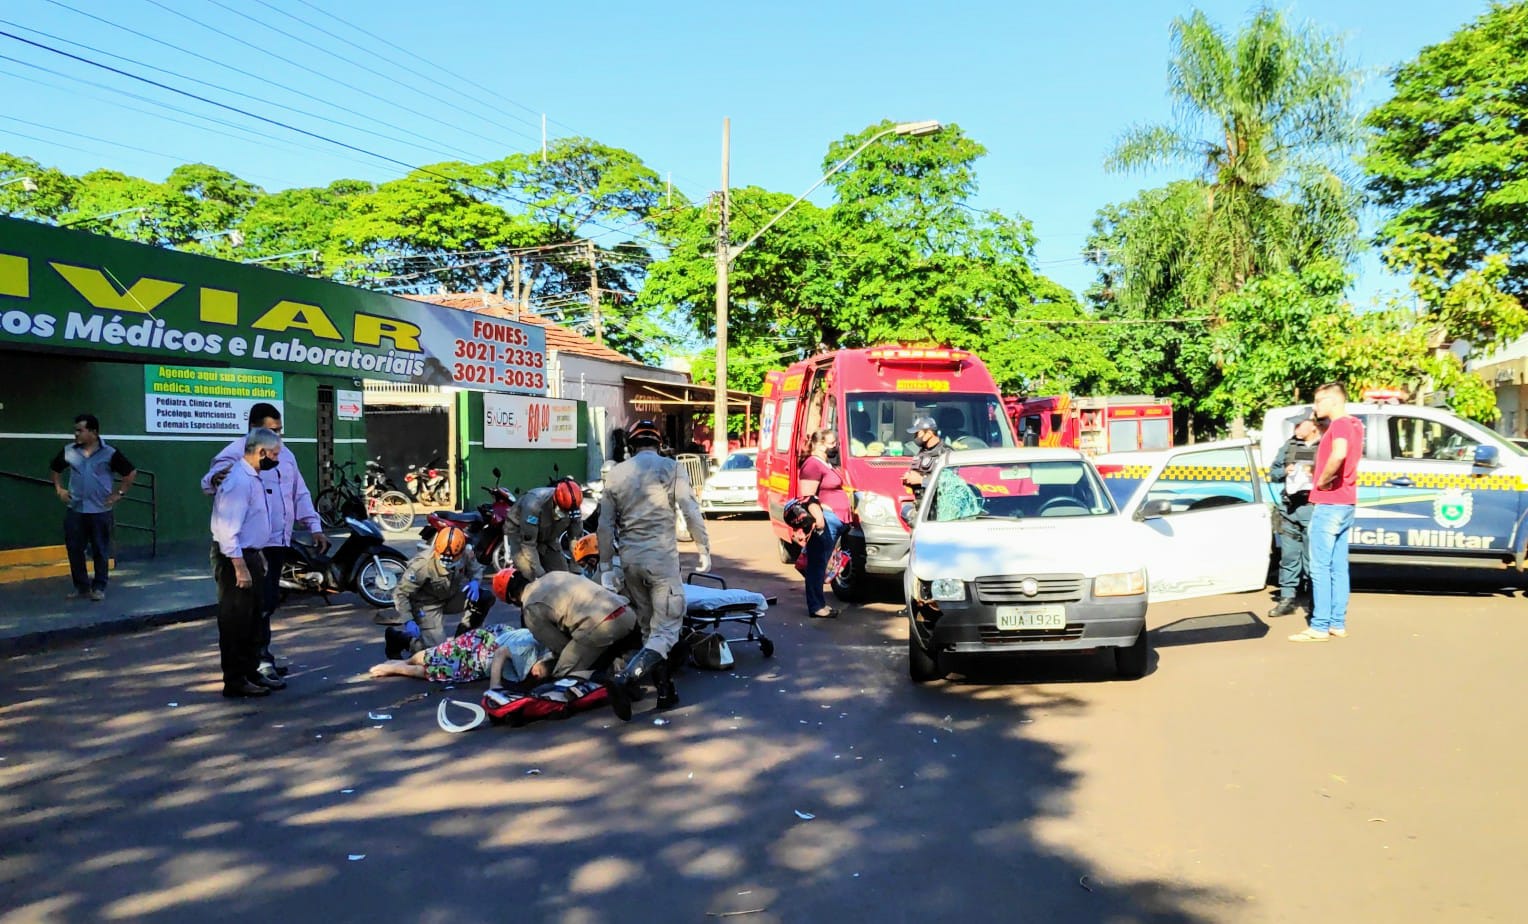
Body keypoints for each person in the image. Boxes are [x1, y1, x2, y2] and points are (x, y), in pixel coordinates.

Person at [201, 403, 327, 681]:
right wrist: (216, 478)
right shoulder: (235, 455)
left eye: (280, 431)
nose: (278, 437)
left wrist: (314, 526)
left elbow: (299, 492)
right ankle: (250, 667)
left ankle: (259, 658)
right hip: (245, 547)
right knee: (244, 612)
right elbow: (211, 483)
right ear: (255, 430)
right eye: (272, 431)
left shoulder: (285, 455)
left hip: (276, 541)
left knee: (266, 603)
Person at [597, 418, 711, 720]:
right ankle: (626, 678)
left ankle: (665, 691)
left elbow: (605, 525)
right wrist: (703, 547)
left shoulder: (616, 474)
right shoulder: (671, 468)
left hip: (630, 562)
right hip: (661, 561)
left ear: (631, 445)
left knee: (649, 629)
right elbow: (689, 508)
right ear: (659, 443)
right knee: (667, 630)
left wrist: (607, 565)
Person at [210, 428, 283, 698]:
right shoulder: (238, 481)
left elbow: (251, 523)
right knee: (235, 622)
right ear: (261, 452)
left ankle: (251, 672)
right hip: (234, 557)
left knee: (252, 620)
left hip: (249, 553)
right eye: (274, 454)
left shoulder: (252, 477)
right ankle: (235, 679)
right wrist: (240, 566)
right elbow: (227, 529)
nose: (276, 459)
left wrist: (258, 554)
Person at [1290, 383, 1363, 643]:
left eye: (1319, 402)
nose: (1315, 407)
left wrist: (1323, 479)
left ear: (1333, 401)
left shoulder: (1341, 425)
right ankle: (1336, 623)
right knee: (1338, 566)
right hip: (1346, 503)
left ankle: (1319, 626)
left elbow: (1339, 453)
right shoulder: (1354, 424)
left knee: (1320, 566)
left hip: (1330, 503)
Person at [50, 413, 137, 602]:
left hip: (100, 511)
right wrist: (60, 490)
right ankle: (81, 587)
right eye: (75, 430)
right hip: (76, 510)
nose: (76, 434)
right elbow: (55, 469)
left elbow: (130, 473)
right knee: (74, 549)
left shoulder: (110, 453)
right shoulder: (69, 451)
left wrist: (119, 494)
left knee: (100, 549)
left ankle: (99, 587)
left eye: (80, 430)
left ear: (94, 432)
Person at [496, 567, 638, 678]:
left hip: (602, 627)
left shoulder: (530, 609)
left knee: (562, 675)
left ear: (512, 598)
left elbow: (560, 646)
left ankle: (612, 679)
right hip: (627, 612)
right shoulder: (553, 575)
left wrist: (548, 665)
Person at [386, 526, 488, 658]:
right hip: (427, 606)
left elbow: (475, 569)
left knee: (485, 597)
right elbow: (400, 593)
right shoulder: (422, 565)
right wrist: (408, 620)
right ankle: (401, 640)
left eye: (452, 559)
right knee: (437, 656)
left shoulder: (465, 553)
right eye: (444, 557)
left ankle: (463, 637)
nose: (447, 562)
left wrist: (475, 581)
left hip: (450, 597)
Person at [367, 622, 551, 686]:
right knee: (435, 669)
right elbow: (500, 653)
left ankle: (401, 663)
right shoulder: (528, 650)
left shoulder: (547, 643)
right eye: (538, 672)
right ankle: (394, 668)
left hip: (485, 637)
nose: (535, 675)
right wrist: (495, 688)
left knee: (435, 654)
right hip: (479, 654)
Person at [1267, 412, 1320, 618]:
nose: (1296, 428)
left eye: (1300, 424)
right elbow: (1273, 472)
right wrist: (1285, 471)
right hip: (1290, 507)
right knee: (1289, 556)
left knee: (1311, 559)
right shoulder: (1290, 445)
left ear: (1313, 425)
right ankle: (1287, 599)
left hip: (1312, 506)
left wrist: (1315, 473)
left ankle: (1315, 602)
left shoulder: (1324, 445)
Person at [799, 429, 849, 619]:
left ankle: (820, 603)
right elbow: (807, 496)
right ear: (819, 445)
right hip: (825, 520)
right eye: (831, 443)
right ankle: (816, 606)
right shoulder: (812, 465)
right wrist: (819, 519)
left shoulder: (825, 463)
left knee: (822, 564)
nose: (835, 446)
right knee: (817, 564)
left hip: (834, 520)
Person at [504, 477, 584, 580]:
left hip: (548, 535)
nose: (566, 513)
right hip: (520, 535)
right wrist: (541, 576)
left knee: (563, 577)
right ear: (555, 501)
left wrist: (576, 570)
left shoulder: (574, 507)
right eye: (564, 510)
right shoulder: (534, 505)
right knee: (529, 575)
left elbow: (576, 539)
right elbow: (528, 545)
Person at [901, 415, 952, 498]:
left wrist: (921, 481)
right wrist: (909, 477)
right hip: (920, 502)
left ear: (928, 433)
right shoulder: (922, 452)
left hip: (938, 505)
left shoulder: (946, 453)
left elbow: (950, 484)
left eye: (917, 433)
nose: (915, 437)